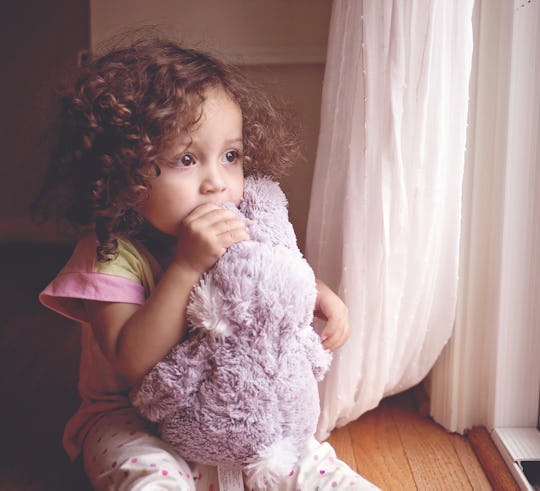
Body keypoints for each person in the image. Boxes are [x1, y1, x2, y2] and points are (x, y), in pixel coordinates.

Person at [34, 36, 379, 490]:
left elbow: (266, 270)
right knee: (146, 476)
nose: (216, 182)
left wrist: (318, 293)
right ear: (125, 170)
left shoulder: (238, 222)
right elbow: (131, 360)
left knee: (308, 462)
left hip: (228, 414)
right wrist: (185, 267)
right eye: (187, 159)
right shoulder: (110, 254)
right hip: (133, 422)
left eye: (231, 156)